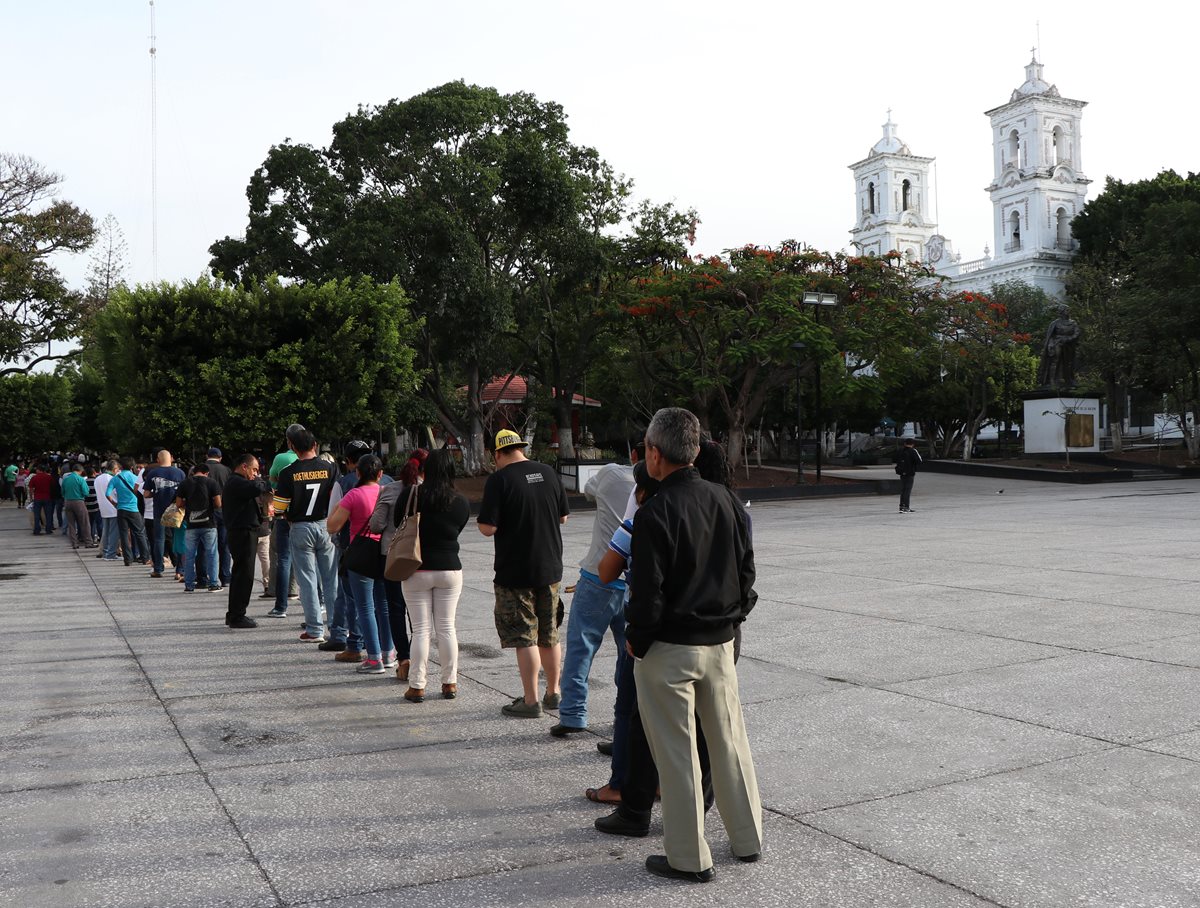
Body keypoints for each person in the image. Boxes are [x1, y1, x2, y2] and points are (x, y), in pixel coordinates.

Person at [624, 407, 761, 882]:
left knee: (677, 755)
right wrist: (733, 616)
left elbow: (647, 594)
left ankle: (688, 856)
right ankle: (747, 838)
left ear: (655, 454)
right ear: (696, 450)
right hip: (720, 643)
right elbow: (747, 573)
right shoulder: (725, 499)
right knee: (729, 743)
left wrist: (636, 641)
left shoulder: (654, 511)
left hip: (669, 647)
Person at [476, 428, 570, 718]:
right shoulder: (548, 473)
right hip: (550, 566)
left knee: (524, 635)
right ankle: (554, 692)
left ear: (498, 454)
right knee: (549, 632)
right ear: (522, 447)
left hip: (516, 570)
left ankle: (530, 700)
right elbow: (563, 517)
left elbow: (487, 528)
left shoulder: (499, 479)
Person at [551, 443, 637, 737]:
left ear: (634, 454)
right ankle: (623, 721)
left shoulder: (611, 473)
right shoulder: (657, 486)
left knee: (581, 647)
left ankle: (574, 715)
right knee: (629, 656)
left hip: (598, 577)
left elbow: (588, 491)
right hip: (632, 583)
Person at [398, 449, 470, 703]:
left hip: (415, 568)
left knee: (420, 631)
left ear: (424, 469)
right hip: (450, 568)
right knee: (447, 628)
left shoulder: (412, 494)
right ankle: (449, 683)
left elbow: (400, 522)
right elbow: (458, 529)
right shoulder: (461, 501)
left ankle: (417, 686)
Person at [319, 441, 388, 662]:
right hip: (385, 552)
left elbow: (332, 525)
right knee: (383, 606)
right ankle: (388, 654)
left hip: (357, 552)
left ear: (355, 469)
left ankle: (368, 653)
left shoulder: (349, 490)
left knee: (359, 605)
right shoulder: (388, 487)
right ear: (380, 473)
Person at [273, 424, 339, 642]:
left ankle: (314, 629)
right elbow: (338, 497)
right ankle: (338, 628)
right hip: (325, 524)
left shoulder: (287, 473)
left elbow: (279, 508)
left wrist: (288, 516)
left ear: (292, 446)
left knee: (308, 580)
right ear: (315, 445)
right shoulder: (330, 468)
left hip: (300, 527)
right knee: (331, 579)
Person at [367, 449, 426, 680]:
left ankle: (403, 658)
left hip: (391, 556)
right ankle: (416, 655)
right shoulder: (428, 492)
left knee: (395, 608)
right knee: (418, 611)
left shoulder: (389, 490)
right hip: (420, 558)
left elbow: (375, 525)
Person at [222, 453, 271, 627]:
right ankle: (237, 615)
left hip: (244, 531)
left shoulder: (238, 482)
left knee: (242, 573)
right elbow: (257, 487)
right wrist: (264, 481)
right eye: (254, 469)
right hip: (242, 532)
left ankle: (235, 613)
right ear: (244, 466)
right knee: (244, 574)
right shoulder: (236, 482)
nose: (256, 473)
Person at [265, 436, 300, 619]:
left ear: (289, 441)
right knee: (310, 560)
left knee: (283, 557)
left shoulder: (281, 459)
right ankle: (317, 604)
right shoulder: (314, 463)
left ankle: (281, 606)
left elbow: (272, 481)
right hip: (306, 516)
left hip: (284, 512)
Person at [175, 462, 223, 593]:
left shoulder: (185, 483)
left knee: (190, 555)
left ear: (194, 471)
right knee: (212, 553)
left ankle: (189, 585)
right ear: (206, 473)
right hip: (209, 524)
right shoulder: (212, 483)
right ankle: (213, 583)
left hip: (191, 525)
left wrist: (188, 503)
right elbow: (218, 504)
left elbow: (178, 503)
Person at [143, 449, 185, 578]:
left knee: (159, 540)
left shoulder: (152, 473)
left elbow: (146, 493)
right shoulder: (180, 473)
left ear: (158, 460)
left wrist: (156, 493)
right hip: (176, 511)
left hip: (159, 511)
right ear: (171, 458)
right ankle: (180, 570)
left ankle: (158, 568)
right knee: (177, 539)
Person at [109, 456, 151, 565]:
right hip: (134, 509)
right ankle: (145, 557)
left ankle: (128, 559)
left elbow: (107, 493)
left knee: (123, 534)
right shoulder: (135, 478)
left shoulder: (115, 478)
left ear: (120, 467)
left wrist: (115, 503)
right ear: (132, 466)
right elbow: (142, 492)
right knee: (140, 533)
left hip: (121, 509)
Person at [205, 447, 233, 587]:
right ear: (220, 458)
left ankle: (207, 575)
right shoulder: (226, 470)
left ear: (207, 456)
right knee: (224, 545)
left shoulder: (201, 469)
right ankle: (225, 576)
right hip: (224, 510)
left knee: (207, 545)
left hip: (205, 511)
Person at [61, 461, 94, 549]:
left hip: (68, 502)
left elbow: (62, 492)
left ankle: (74, 543)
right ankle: (88, 542)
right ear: (80, 470)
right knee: (84, 522)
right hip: (79, 502)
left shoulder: (66, 479)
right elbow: (86, 492)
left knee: (71, 524)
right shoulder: (80, 479)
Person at [94, 460, 120, 559]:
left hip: (103, 508)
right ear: (115, 469)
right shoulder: (113, 479)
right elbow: (116, 493)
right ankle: (111, 554)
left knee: (106, 531)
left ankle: (105, 551)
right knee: (113, 532)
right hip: (113, 508)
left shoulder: (98, 478)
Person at [894, 437, 922, 514]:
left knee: (903, 490)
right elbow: (919, 461)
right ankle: (906, 507)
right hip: (910, 473)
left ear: (904, 443)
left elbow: (895, 459)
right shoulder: (913, 451)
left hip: (901, 472)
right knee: (907, 490)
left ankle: (901, 506)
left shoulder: (900, 451)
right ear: (913, 444)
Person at [28, 463, 56, 536]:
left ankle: (37, 530)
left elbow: (31, 488)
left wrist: (31, 498)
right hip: (47, 497)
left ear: (38, 470)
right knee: (48, 514)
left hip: (37, 498)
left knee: (37, 515)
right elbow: (53, 486)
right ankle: (48, 529)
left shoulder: (34, 477)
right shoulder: (49, 477)